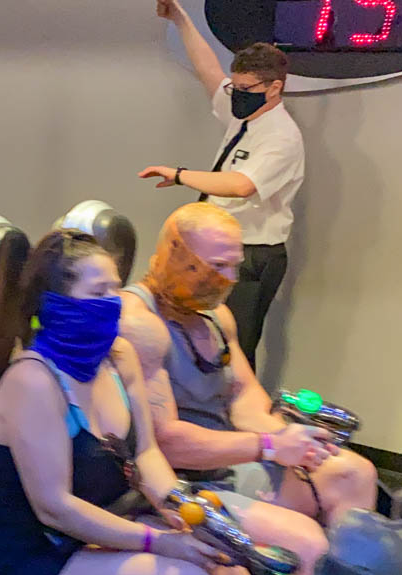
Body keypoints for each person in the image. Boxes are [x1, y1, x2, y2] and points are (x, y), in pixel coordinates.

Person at [0, 228, 317, 575]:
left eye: (116, 289)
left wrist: (183, 509)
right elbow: (55, 508)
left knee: (235, 567)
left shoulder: (119, 357)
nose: (113, 303)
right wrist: (158, 542)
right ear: (55, 303)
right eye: (98, 293)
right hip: (40, 560)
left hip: (113, 526)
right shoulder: (33, 382)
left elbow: (146, 454)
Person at [120, 203, 378, 546]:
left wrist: (292, 440)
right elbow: (165, 443)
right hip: (172, 482)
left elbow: (243, 396)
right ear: (175, 252)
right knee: (307, 543)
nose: (229, 279)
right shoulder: (138, 324)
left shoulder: (216, 317)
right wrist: (269, 446)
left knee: (355, 474)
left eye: (234, 266)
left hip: (226, 463)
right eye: (217, 266)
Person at [138, 0, 305, 371]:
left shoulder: (281, 136)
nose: (236, 93)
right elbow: (208, 71)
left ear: (274, 88)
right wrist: (181, 19)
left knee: (235, 345)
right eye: (236, 86)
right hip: (221, 246)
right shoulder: (243, 114)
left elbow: (241, 185)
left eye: (246, 88)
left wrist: (179, 174)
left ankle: (238, 404)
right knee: (203, 336)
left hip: (253, 254)